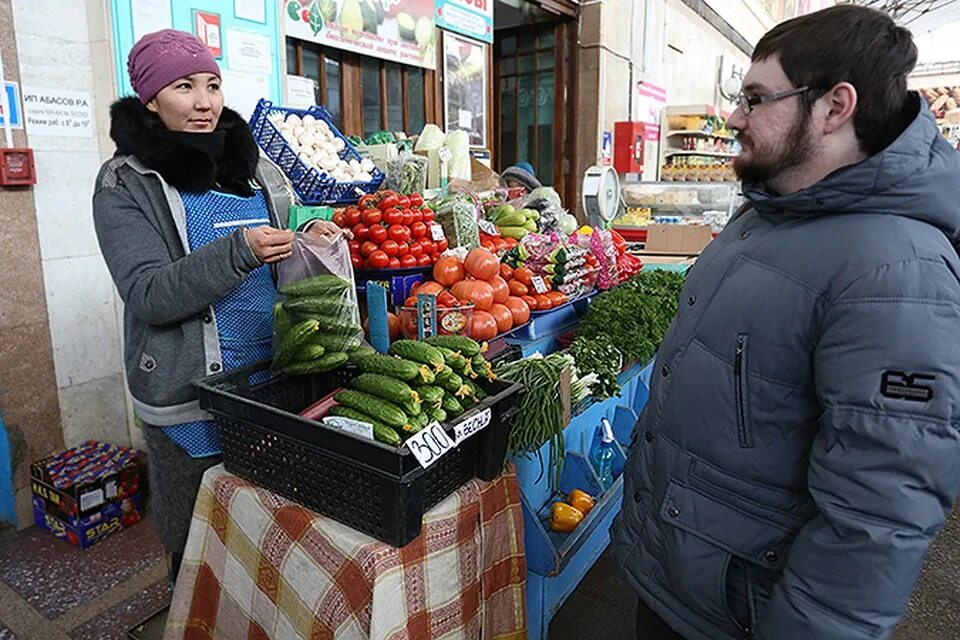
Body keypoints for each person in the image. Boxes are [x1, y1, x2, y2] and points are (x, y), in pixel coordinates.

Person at [612, 6, 960, 640]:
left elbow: (880, 512)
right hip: (683, 575)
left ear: (834, 106)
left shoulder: (897, 271)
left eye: (755, 98)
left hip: (743, 609)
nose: (735, 117)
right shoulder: (768, 215)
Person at [93, 29, 343, 582]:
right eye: (184, 87)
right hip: (191, 403)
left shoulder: (252, 169)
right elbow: (150, 293)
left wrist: (310, 236)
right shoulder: (124, 184)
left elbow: (281, 250)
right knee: (199, 551)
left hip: (272, 388)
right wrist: (238, 251)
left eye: (212, 84)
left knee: (270, 543)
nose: (205, 101)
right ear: (150, 100)